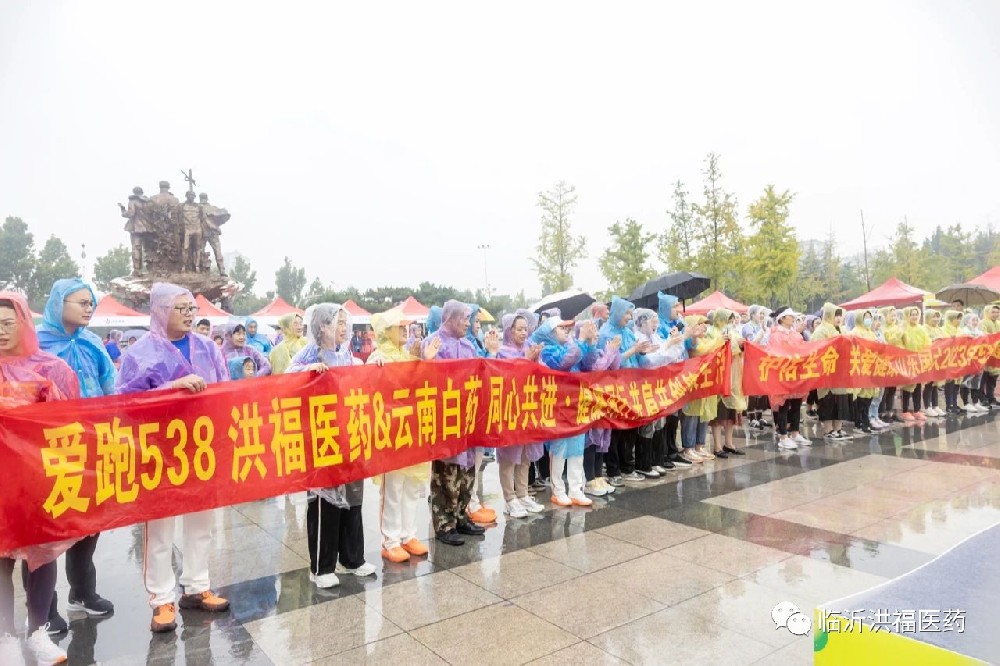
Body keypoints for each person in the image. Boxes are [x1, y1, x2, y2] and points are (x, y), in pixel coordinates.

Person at [116, 283, 231, 633]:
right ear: (160, 311)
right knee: (160, 530)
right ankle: (161, 599)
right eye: (180, 309)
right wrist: (169, 390)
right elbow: (125, 403)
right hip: (159, 451)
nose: (188, 315)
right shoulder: (141, 353)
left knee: (201, 524)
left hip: (201, 446)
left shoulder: (207, 348)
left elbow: (226, 391)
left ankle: (197, 586)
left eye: (191, 308)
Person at [0, 291, 81, 665]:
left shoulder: (50, 369)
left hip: (38, 480)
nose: (1, 332)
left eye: (7, 323)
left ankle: (37, 633)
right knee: (1, 560)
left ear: (24, 323)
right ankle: (5, 636)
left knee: (42, 555)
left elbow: (70, 422)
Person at [36, 278, 118, 628]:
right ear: (59, 304)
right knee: (45, 531)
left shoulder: (93, 343)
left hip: (92, 444)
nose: (89, 308)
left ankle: (83, 592)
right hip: (45, 450)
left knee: (88, 523)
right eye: (82, 302)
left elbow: (112, 388)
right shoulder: (35, 345)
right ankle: (43, 609)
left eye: (91, 303)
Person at [286, 304, 377, 586]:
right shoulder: (309, 353)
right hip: (322, 438)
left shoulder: (346, 354)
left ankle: (352, 558)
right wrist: (308, 372)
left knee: (352, 499)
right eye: (339, 322)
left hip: (348, 436)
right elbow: (287, 379)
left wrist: (373, 370)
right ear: (323, 326)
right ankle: (321, 568)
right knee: (325, 502)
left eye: (345, 323)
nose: (344, 328)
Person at [366, 308, 434, 561]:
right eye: (399, 327)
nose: (405, 330)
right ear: (386, 331)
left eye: (406, 327)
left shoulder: (407, 355)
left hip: (411, 430)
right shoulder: (378, 357)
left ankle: (409, 535)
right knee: (393, 487)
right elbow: (372, 387)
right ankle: (391, 540)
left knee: (411, 486)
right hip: (391, 432)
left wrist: (422, 361)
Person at [422, 300, 489, 546]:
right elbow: (426, 379)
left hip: (467, 418)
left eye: (468, 319)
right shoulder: (433, 343)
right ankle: (444, 524)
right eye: (463, 318)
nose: (467, 323)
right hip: (446, 419)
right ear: (450, 318)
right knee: (446, 473)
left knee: (466, 471)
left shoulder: (469, 346)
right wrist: (428, 363)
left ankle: (461, 516)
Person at [531, 317, 592, 507]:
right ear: (549, 332)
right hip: (558, 406)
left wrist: (589, 343)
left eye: (567, 328)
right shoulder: (547, 350)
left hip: (575, 404)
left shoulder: (570, 345)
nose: (566, 331)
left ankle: (575, 489)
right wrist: (580, 341)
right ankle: (558, 490)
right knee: (559, 448)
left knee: (577, 448)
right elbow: (564, 363)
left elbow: (589, 363)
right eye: (561, 328)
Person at [495, 310, 547, 517]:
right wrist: (525, 361)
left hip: (529, 407)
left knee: (526, 455)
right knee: (509, 457)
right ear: (510, 331)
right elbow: (504, 379)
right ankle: (509, 499)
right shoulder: (503, 352)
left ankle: (523, 494)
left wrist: (535, 360)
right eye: (519, 329)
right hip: (510, 409)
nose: (524, 333)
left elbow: (543, 373)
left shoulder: (530, 348)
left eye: (526, 329)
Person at [599, 297, 655, 485]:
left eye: (631, 314)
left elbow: (638, 359)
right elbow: (611, 363)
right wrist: (633, 350)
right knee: (614, 430)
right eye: (627, 314)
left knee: (630, 427)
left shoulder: (628, 332)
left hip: (632, 387)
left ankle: (627, 466)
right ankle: (613, 470)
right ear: (617, 313)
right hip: (614, 388)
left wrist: (643, 351)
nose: (629, 317)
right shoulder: (606, 333)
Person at [707, 309, 748, 458]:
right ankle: (717, 446)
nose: (730, 322)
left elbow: (738, 350)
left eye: (731, 319)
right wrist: (733, 345)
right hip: (720, 376)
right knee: (718, 415)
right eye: (727, 319)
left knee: (731, 414)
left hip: (734, 377)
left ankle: (729, 443)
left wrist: (741, 345)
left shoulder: (733, 332)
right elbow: (715, 350)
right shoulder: (712, 332)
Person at [768, 307, 811, 447]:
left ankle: (795, 432)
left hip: (795, 373)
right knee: (784, 405)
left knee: (797, 403)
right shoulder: (776, 334)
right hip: (783, 374)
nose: (793, 318)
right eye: (790, 316)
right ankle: (783, 436)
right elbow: (777, 352)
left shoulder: (795, 334)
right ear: (782, 319)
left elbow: (802, 348)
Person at [811, 303, 851, 440]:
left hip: (840, 372)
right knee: (828, 401)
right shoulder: (820, 331)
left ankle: (838, 429)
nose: (838, 318)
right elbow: (816, 349)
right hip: (827, 371)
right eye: (835, 315)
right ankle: (828, 430)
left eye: (840, 315)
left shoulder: (842, 330)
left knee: (840, 400)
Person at [678, 314, 713, 463]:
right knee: (691, 415)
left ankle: (699, 445)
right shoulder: (690, 340)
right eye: (700, 323)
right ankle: (688, 447)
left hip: (704, 381)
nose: (704, 326)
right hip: (692, 381)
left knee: (701, 414)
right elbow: (696, 351)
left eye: (705, 323)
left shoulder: (707, 339)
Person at [845, 309, 880, 434]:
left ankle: (866, 420)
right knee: (861, 396)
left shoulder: (871, 333)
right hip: (860, 367)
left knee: (869, 395)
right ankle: (858, 422)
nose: (868, 319)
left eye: (869, 317)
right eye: (866, 317)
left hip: (870, 367)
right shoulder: (854, 332)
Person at [899, 306, 931, 421]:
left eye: (916, 314)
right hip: (907, 361)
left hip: (919, 361)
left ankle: (917, 410)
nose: (914, 317)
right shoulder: (902, 328)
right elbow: (899, 343)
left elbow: (927, 343)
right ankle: (905, 411)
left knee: (918, 385)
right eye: (912, 314)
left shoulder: (921, 329)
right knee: (907, 386)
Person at [878, 307, 904, 423]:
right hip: (885, 361)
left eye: (895, 315)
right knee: (885, 389)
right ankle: (882, 412)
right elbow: (888, 342)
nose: (893, 318)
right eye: (891, 315)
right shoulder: (882, 329)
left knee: (893, 388)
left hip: (896, 361)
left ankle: (890, 411)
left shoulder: (898, 328)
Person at [960, 312, 989, 413]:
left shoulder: (980, 332)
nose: (975, 322)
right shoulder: (963, 332)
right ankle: (965, 403)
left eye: (977, 320)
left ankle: (976, 402)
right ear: (967, 321)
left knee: (976, 382)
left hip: (978, 361)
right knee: (966, 381)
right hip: (967, 361)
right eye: (973, 320)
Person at [980, 304, 1000, 409]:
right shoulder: (983, 323)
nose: (995, 314)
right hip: (985, 353)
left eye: (997, 312)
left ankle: (991, 397)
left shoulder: (998, 323)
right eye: (993, 312)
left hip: (996, 354)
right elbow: (983, 335)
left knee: (993, 377)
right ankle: (981, 398)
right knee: (983, 376)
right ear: (987, 312)